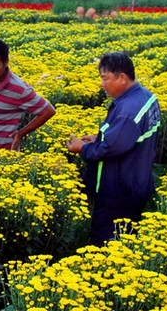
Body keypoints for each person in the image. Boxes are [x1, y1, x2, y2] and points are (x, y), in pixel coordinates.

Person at [66, 52, 161, 246]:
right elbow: (129, 138)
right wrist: (100, 138)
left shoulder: (128, 110)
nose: (102, 84)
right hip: (137, 181)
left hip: (118, 190)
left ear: (122, 78)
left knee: (105, 241)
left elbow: (108, 150)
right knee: (126, 237)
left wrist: (82, 148)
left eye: (105, 78)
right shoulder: (146, 97)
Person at [0, 39, 55, 177]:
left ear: (6, 62)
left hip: (2, 161)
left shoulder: (19, 89)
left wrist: (21, 133)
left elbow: (48, 111)